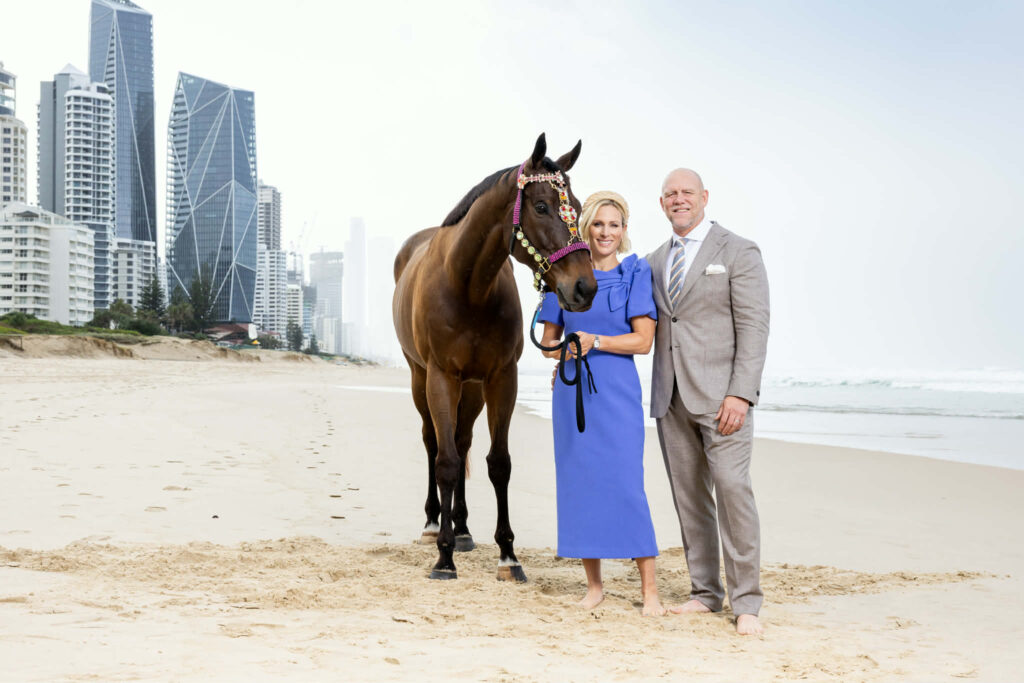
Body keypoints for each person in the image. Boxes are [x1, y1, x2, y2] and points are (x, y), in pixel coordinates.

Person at [645, 168, 770, 635]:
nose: (679, 199)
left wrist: (741, 392)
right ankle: (705, 593)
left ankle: (747, 603)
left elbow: (755, 327)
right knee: (689, 498)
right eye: (670, 194)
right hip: (670, 396)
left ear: (704, 198)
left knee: (734, 493)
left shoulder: (739, 251)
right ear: (662, 204)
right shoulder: (654, 260)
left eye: (686, 193)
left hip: (723, 399)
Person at [538, 190, 668, 616]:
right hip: (571, 394)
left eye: (614, 225)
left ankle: (650, 591)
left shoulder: (634, 272)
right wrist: (566, 351)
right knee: (580, 486)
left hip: (616, 393)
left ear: (624, 230)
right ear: (584, 228)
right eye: (598, 224)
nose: (606, 232)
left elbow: (644, 341)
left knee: (627, 486)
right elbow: (548, 344)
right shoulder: (566, 272)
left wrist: (597, 342)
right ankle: (594, 587)